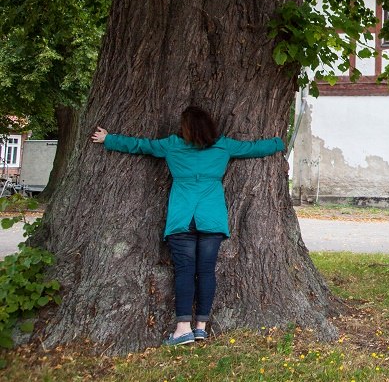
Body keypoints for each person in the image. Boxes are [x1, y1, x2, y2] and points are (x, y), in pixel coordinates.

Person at [90, 105, 285, 346]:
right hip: (211, 217)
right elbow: (255, 149)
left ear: (186, 128)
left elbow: (141, 145)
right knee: (205, 271)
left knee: (184, 271)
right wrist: (279, 142)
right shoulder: (223, 145)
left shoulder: (172, 145)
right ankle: (201, 326)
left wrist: (109, 139)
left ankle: (183, 328)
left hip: (182, 218)